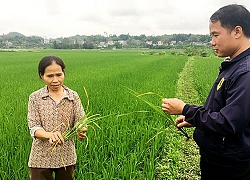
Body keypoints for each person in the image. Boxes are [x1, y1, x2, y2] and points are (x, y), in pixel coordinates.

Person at [162, 4, 250, 180]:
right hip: (219, 157)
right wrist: (195, 120)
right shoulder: (234, 65)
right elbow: (225, 110)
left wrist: (185, 109)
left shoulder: (245, 72)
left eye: (216, 35)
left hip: (230, 165)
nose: (212, 42)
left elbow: (228, 123)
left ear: (237, 31)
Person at [27, 55, 87, 180]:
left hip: (66, 156)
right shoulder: (35, 98)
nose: (55, 80)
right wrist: (50, 135)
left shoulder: (72, 96)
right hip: (40, 156)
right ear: (41, 75)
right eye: (50, 76)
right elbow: (34, 127)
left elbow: (81, 120)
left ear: (64, 73)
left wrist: (81, 130)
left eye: (59, 75)